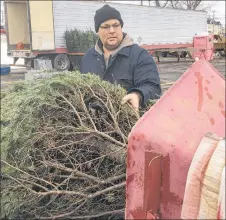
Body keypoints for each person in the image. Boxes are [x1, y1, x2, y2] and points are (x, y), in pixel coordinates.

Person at [80, 4, 161, 111]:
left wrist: (138, 95)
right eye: (106, 27)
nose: (112, 30)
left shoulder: (139, 55)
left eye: (116, 25)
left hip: (128, 122)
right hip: (93, 124)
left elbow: (153, 87)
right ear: (97, 31)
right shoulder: (88, 57)